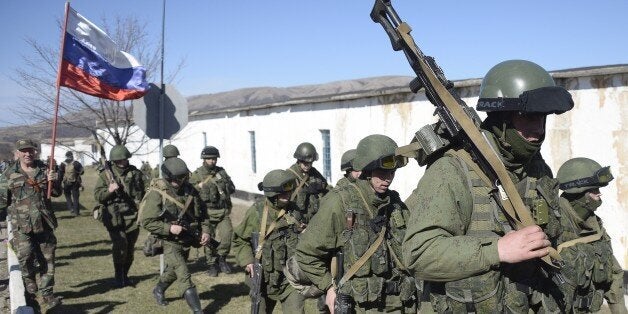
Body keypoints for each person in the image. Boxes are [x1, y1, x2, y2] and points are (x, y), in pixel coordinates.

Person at [402, 60, 574, 313]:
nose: (538, 129)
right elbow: (418, 253)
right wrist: (498, 250)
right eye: (529, 117)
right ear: (502, 117)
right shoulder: (452, 170)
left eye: (543, 117)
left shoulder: (536, 169)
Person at [295, 134, 419, 313]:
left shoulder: (395, 202)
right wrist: (329, 288)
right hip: (360, 307)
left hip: (401, 304)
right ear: (367, 170)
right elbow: (307, 253)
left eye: (392, 172)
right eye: (382, 172)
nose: (388, 178)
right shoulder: (340, 202)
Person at [555, 158, 627, 313]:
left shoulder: (596, 226)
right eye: (594, 190)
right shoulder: (553, 224)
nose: (599, 193)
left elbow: (614, 276)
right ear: (579, 193)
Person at [232, 169, 307, 314]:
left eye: (289, 191)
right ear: (272, 194)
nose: (288, 195)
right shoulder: (257, 212)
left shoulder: (294, 211)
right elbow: (240, 239)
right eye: (283, 192)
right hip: (264, 280)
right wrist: (248, 261)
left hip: (290, 280)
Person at [140, 157, 209, 313]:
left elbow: (203, 215)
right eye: (177, 179)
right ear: (168, 177)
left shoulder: (190, 191)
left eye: (183, 178)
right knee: (184, 273)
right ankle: (198, 311)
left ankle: (158, 289)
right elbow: (147, 221)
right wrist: (169, 228)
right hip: (168, 241)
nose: (181, 181)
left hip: (186, 239)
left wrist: (205, 231)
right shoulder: (157, 193)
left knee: (173, 270)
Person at [0, 139, 62, 309]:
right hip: (22, 226)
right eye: (24, 151)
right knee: (25, 257)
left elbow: (56, 193)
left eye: (31, 150)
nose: (28, 154)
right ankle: (29, 286)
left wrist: (54, 180)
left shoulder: (45, 170)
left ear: (35, 152)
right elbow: (2, 201)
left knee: (48, 260)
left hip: (44, 222)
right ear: (18, 153)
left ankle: (48, 294)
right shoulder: (8, 174)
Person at [93, 145, 145, 287]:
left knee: (130, 248)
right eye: (119, 160)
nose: (122, 162)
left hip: (132, 215)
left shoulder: (135, 173)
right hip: (113, 215)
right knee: (120, 245)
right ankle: (118, 276)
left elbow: (145, 190)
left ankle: (125, 275)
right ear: (114, 161)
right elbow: (98, 196)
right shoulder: (105, 175)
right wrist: (109, 190)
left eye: (124, 159)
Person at [189, 146, 236, 277]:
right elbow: (189, 193)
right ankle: (211, 264)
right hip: (207, 213)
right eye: (209, 159)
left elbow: (231, 187)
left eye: (214, 158)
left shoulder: (222, 172)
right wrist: (197, 187)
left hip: (222, 211)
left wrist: (226, 186)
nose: (212, 161)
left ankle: (221, 258)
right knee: (208, 239)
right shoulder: (197, 174)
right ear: (204, 159)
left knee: (227, 235)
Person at [286, 142, 329, 218]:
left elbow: (327, 188)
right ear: (299, 160)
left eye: (310, 163)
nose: (307, 165)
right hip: (297, 220)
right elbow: (281, 191)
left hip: (313, 218)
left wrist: (319, 186)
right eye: (304, 162)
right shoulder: (290, 174)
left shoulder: (314, 172)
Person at [59, 151, 84, 216]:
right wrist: (77, 173)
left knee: (67, 196)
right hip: (75, 183)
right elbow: (82, 172)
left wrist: (59, 183)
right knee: (76, 198)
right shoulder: (76, 163)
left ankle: (71, 208)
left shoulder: (62, 164)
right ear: (72, 155)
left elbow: (60, 175)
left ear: (66, 156)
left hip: (66, 182)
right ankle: (77, 212)